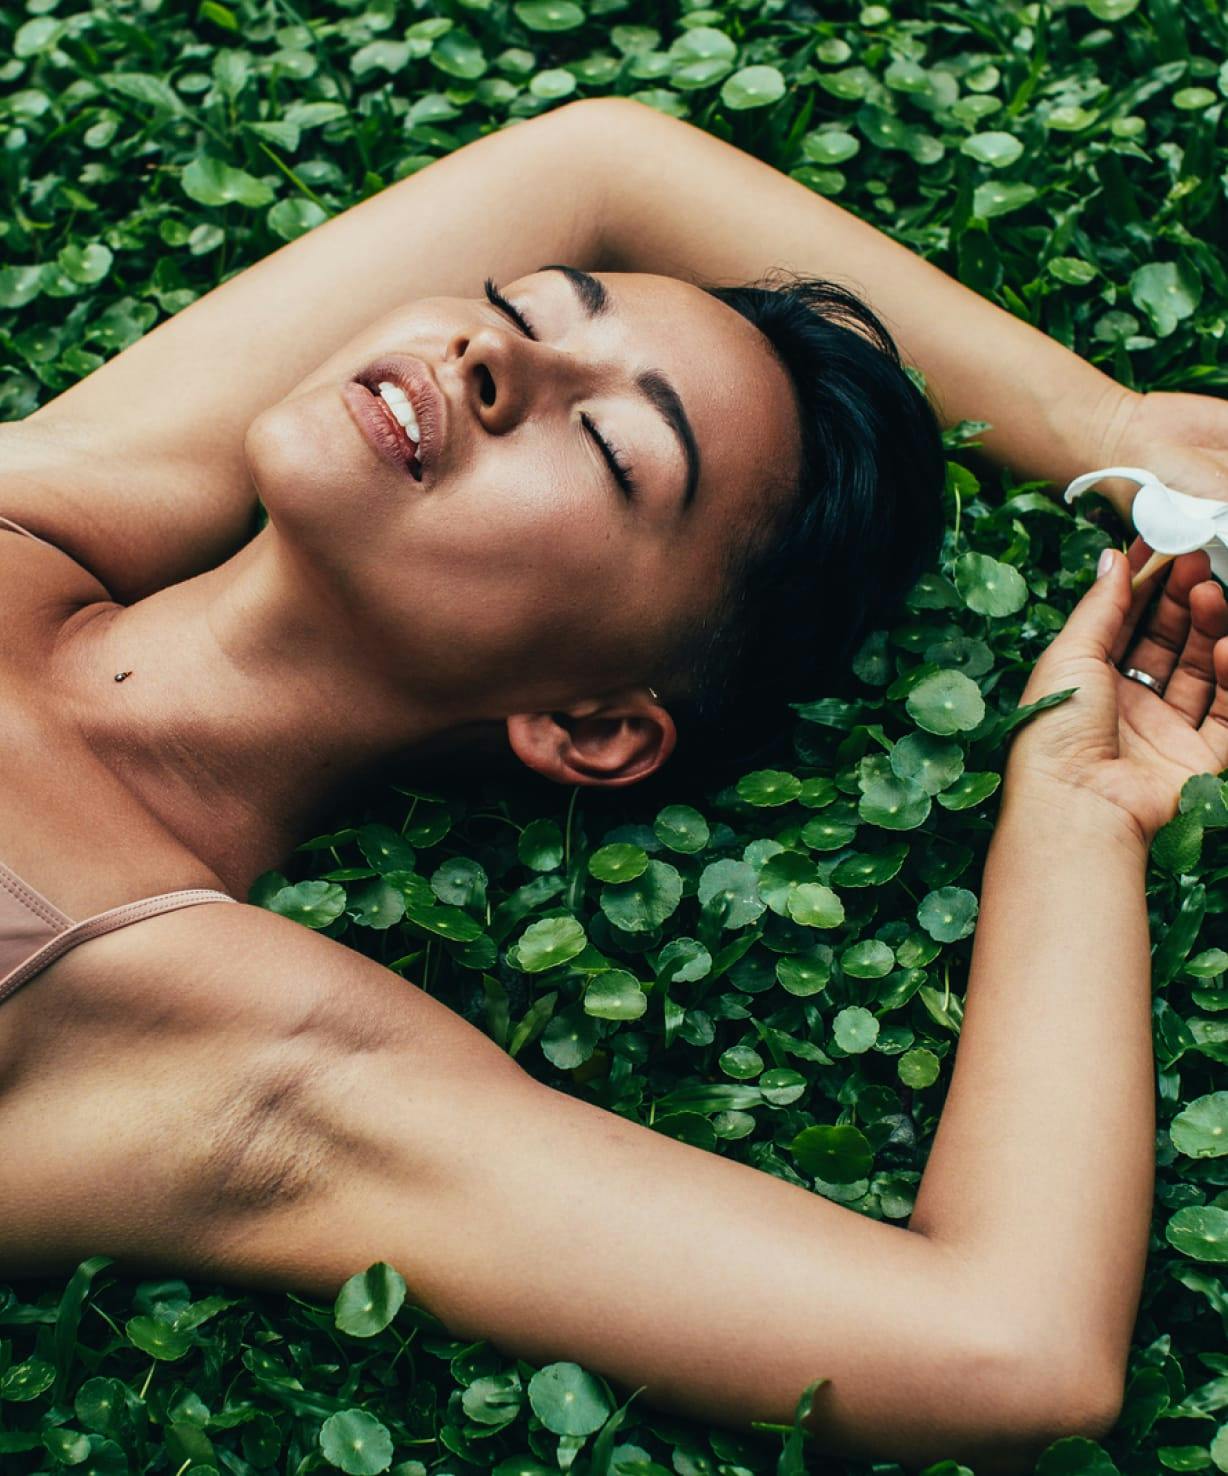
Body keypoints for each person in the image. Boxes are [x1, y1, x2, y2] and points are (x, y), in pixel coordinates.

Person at [0, 96, 1225, 1473]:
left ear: (591, 728)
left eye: (607, 448)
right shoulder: (44, 500)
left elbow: (1011, 1345)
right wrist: (1115, 429)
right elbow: (599, 165)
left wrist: (1080, 803)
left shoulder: (228, 1038)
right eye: (525, 308)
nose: (488, 358)